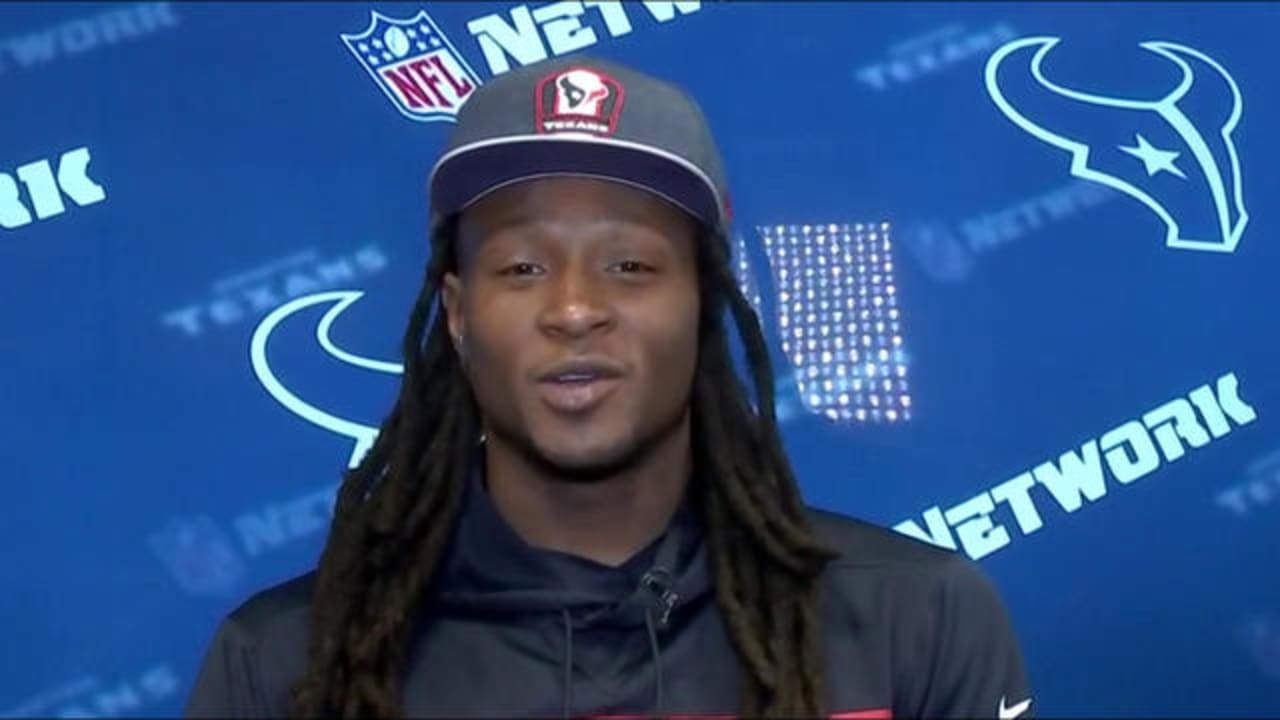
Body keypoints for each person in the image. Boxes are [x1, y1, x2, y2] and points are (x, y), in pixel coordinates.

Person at [185, 55, 1033, 719]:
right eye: (521, 266)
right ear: (456, 312)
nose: (576, 307)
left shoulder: (918, 620)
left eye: (629, 265)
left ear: (704, 301)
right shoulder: (289, 667)